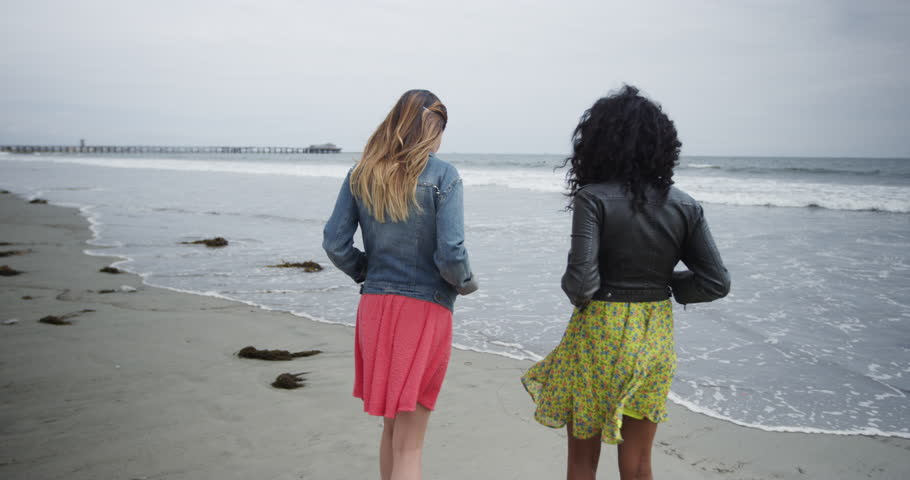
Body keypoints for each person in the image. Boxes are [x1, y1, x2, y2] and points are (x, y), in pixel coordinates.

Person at [521, 85, 730, 480]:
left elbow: (581, 286)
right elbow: (716, 282)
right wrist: (668, 284)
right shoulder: (686, 205)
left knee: (582, 464)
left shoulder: (592, 198)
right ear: (661, 145)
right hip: (654, 336)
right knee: (637, 466)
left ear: (599, 143)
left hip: (599, 334)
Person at [322, 89, 478, 480]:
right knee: (410, 445)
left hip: (375, 307)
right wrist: (465, 283)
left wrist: (367, 272)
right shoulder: (443, 176)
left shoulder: (362, 173)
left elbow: (334, 243)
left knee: (392, 431)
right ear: (434, 128)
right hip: (424, 309)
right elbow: (451, 254)